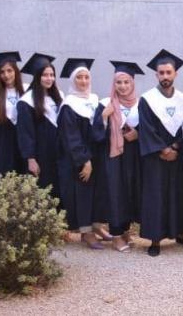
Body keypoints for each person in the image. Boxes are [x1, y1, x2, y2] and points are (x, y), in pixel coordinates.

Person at [138, 49, 183, 257]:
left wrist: (176, 147)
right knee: (156, 196)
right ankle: (155, 239)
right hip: (156, 158)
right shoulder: (147, 100)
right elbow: (146, 128)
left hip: (177, 157)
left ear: (175, 74)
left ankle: (180, 233)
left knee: (179, 194)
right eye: (161, 73)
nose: (165, 76)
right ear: (156, 75)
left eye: (168, 72)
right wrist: (162, 149)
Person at [56, 58, 111, 249]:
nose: (84, 81)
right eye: (79, 77)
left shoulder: (93, 100)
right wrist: (85, 161)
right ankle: (86, 232)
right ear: (73, 80)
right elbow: (71, 137)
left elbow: (97, 131)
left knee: (97, 193)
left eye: (86, 77)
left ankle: (96, 226)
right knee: (83, 194)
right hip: (77, 159)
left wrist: (104, 118)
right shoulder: (68, 105)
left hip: (96, 155)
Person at [93, 61, 144, 253]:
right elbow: (95, 135)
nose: (122, 86)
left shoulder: (140, 104)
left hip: (133, 156)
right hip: (112, 156)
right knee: (115, 193)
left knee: (129, 191)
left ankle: (125, 231)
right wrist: (104, 118)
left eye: (126, 82)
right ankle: (115, 235)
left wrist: (138, 134)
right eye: (118, 82)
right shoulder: (105, 104)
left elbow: (148, 129)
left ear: (132, 83)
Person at [17, 53, 63, 202]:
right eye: (45, 75)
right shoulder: (26, 101)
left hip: (57, 153)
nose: (49, 78)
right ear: (37, 77)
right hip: (40, 155)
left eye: (52, 75)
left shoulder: (58, 97)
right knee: (42, 190)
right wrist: (31, 159)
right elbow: (25, 133)